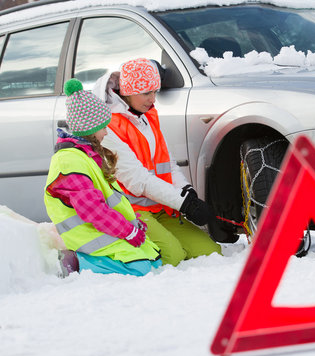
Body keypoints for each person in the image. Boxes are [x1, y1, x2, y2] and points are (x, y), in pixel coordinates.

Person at [93, 58, 221, 266]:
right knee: (172, 255)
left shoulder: (147, 116)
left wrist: (186, 190)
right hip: (128, 212)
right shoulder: (108, 127)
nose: (153, 99)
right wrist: (184, 204)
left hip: (157, 207)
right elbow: (137, 180)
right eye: (146, 93)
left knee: (210, 252)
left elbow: (167, 163)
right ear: (127, 91)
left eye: (155, 92)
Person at [44, 78, 163, 277]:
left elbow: (111, 200)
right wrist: (127, 231)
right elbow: (93, 210)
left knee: (154, 260)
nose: (106, 132)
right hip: (87, 236)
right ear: (89, 130)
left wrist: (132, 223)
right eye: (103, 127)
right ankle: (75, 261)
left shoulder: (88, 155)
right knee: (139, 267)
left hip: (104, 230)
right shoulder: (69, 161)